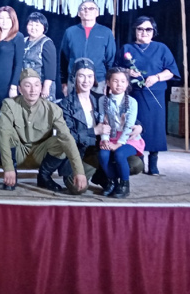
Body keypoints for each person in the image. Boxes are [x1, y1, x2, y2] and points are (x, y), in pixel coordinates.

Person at [58, 58, 144, 194]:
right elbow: (66, 136)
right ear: (74, 77)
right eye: (81, 76)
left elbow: (123, 117)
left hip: (102, 147)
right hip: (82, 153)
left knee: (135, 164)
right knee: (76, 188)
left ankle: (110, 179)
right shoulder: (65, 104)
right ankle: (100, 175)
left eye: (90, 76)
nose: (86, 81)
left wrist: (139, 126)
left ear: (94, 78)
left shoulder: (100, 99)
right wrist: (94, 131)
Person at [0, 68, 87, 193]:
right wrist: (8, 168)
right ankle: (13, 175)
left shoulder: (53, 109)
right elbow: (3, 134)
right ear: (20, 89)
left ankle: (44, 176)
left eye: (36, 85)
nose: (33, 90)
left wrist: (79, 171)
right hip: (18, 152)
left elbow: (66, 137)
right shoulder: (9, 105)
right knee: (6, 133)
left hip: (41, 153)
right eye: (27, 85)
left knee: (62, 141)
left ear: (41, 87)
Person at [116, 16, 180, 175]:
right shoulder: (127, 48)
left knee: (155, 128)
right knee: (134, 125)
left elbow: (171, 71)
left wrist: (157, 77)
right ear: (135, 31)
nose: (144, 32)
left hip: (155, 95)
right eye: (140, 29)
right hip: (133, 94)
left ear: (154, 31)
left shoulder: (161, 48)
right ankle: (138, 160)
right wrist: (127, 71)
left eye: (148, 29)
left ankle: (153, 162)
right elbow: (115, 69)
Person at [97, 67, 145, 198]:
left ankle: (124, 185)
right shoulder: (102, 100)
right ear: (108, 82)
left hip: (128, 138)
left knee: (119, 154)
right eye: (115, 81)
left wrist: (118, 144)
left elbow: (129, 125)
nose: (119, 84)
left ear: (127, 83)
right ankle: (112, 182)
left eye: (123, 81)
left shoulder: (132, 102)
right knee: (103, 155)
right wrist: (105, 139)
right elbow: (103, 121)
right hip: (110, 136)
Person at [60, 0, 115, 96]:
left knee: (98, 105)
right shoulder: (70, 32)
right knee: (73, 105)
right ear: (79, 13)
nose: (87, 10)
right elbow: (64, 58)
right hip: (74, 81)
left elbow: (110, 59)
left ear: (97, 13)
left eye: (91, 8)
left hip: (99, 81)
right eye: (83, 8)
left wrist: (108, 82)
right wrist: (64, 82)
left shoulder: (106, 32)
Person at [0, 6, 24, 107]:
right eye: (1, 18)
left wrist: (13, 86)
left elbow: (18, 64)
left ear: (13, 19)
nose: (4, 21)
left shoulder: (18, 37)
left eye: (8, 18)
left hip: (8, 83)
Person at [23, 12, 57, 101]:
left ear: (43, 27)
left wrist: (46, 87)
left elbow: (50, 69)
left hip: (41, 87)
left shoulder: (46, 43)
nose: (33, 28)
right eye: (31, 24)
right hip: (26, 86)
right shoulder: (23, 41)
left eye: (37, 25)